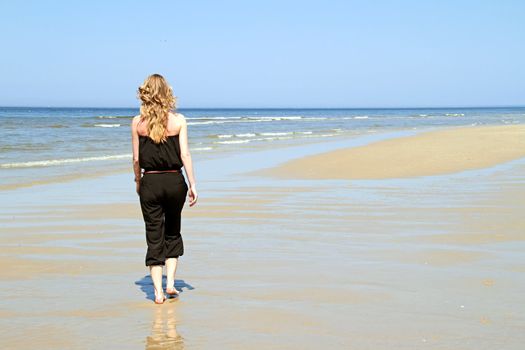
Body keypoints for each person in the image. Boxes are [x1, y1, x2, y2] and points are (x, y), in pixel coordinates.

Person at [131, 74, 198, 304]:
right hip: (174, 182)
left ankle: (158, 292)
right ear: (167, 93)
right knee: (172, 230)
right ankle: (170, 284)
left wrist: (138, 182)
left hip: (150, 181)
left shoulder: (137, 123)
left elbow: (136, 159)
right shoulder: (179, 121)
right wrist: (193, 184)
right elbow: (185, 154)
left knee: (154, 234)